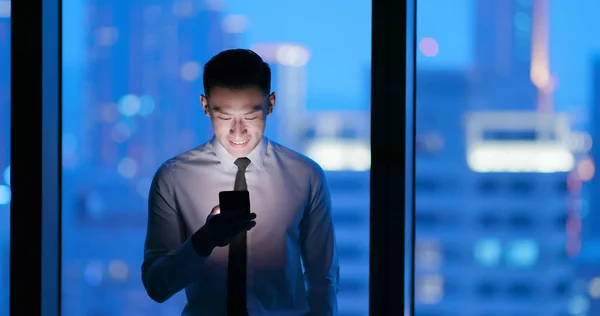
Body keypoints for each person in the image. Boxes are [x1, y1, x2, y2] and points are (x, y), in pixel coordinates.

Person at [141, 48, 339, 316]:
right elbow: (156, 286)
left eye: (250, 116)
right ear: (205, 106)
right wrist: (204, 240)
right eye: (224, 117)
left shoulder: (305, 175)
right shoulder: (174, 177)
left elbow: (322, 279)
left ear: (270, 104)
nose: (237, 131)